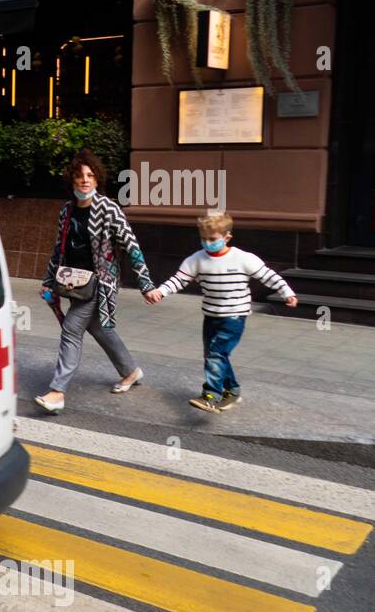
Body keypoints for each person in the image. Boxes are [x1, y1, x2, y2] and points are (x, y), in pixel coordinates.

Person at [34, 149, 161, 414]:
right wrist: (48, 281)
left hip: (100, 284)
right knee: (100, 328)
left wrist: (146, 284)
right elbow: (59, 248)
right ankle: (130, 371)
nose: (85, 180)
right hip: (73, 283)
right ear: (72, 180)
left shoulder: (108, 209)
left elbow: (131, 245)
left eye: (90, 175)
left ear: (97, 179)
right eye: (79, 176)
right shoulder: (67, 211)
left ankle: (57, 392)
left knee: (71, 328)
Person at [149, 212, 298, 413]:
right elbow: (179, 279)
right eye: (203, 238)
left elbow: (269, 276)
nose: (207, 243)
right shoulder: (197, 259)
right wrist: (161, 292)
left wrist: (287, 293)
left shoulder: (243, 258)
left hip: (234, 315)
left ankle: (211, 395)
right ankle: (233, 390)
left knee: (216, 353)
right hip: (211, 315)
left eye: (212, 239)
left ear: (227, 237)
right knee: (213, 354)